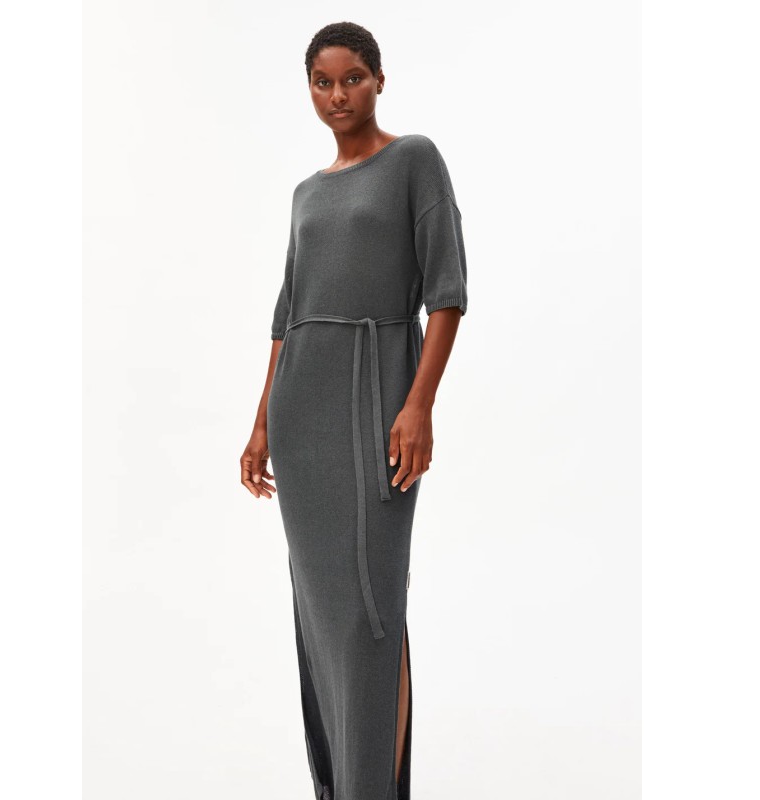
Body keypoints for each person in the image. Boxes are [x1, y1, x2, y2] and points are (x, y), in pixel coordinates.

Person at [241, 21, 468, 800]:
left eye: (352, 78)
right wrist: (262, 424)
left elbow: (447, 294)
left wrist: (418, 406)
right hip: (302, 414)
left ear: (379, 80)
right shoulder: (306, 193)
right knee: (322, 614)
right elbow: (287, 316)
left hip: (376, 401)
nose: (337, 95)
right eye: (322, 82)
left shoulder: (414, 161)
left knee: (371, 615)